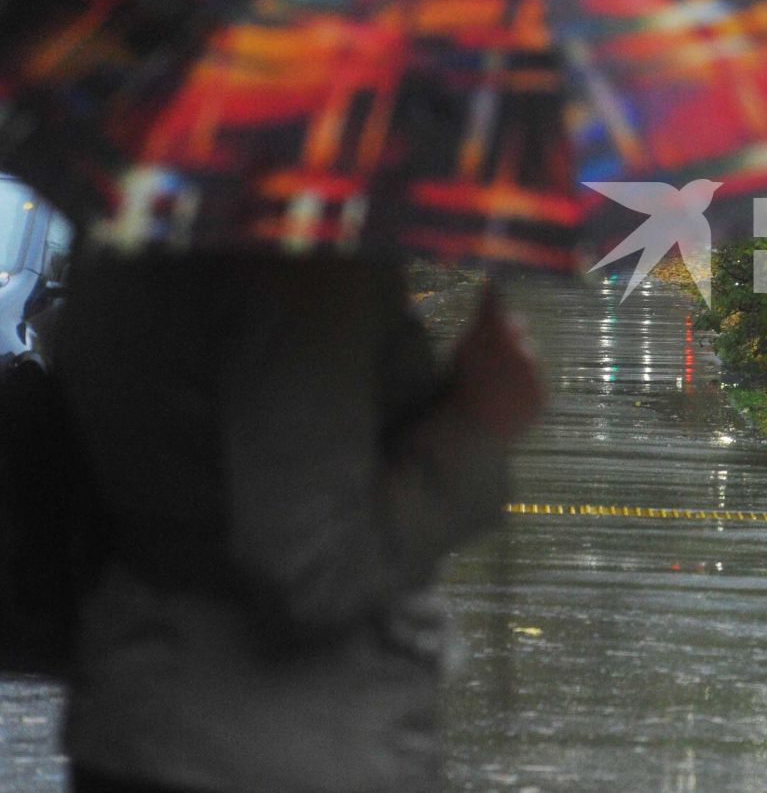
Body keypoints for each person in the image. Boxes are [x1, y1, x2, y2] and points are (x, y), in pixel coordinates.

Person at [55, 254, 544, 793]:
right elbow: (309, 566)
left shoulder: (127, 237)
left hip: (132, 717)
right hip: (286, 746)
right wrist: (477, 422)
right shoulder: (308, 265)